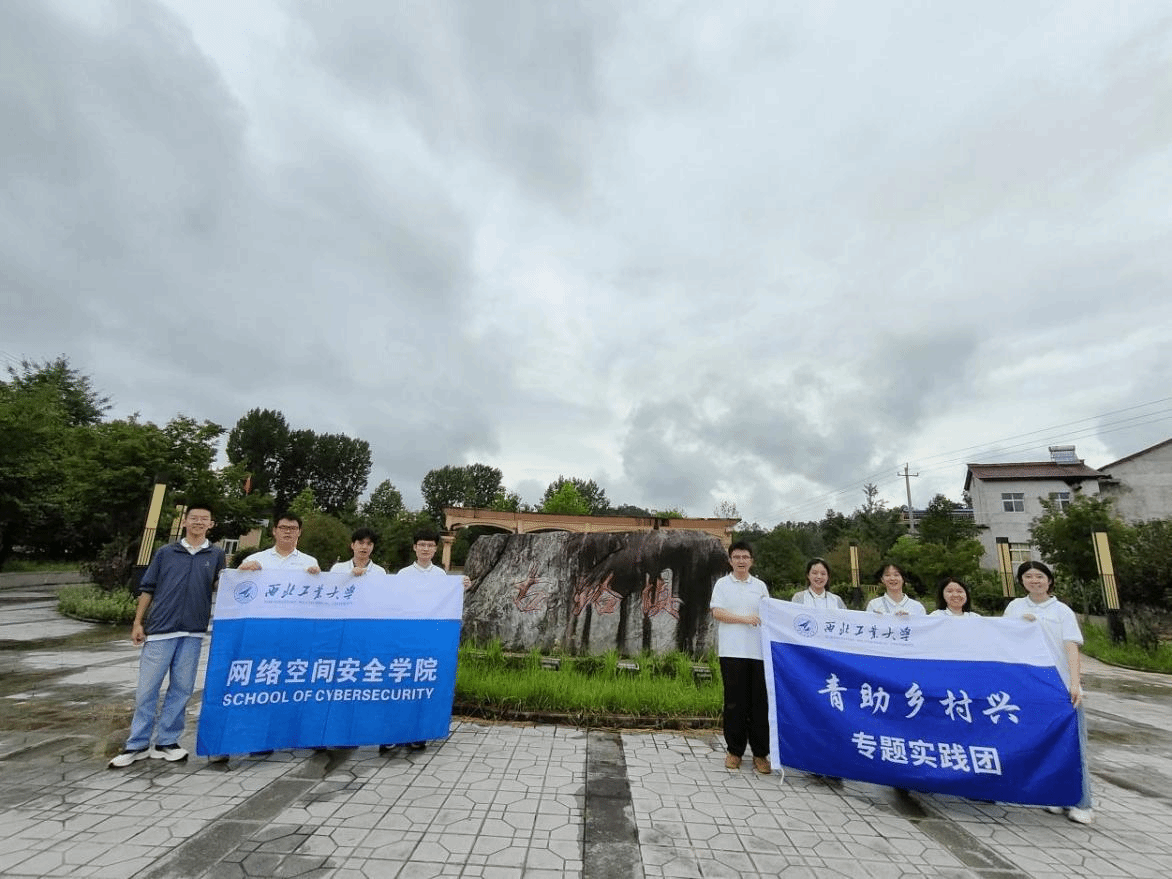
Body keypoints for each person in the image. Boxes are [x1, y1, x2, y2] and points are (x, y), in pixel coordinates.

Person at [108, 504, 226, 768]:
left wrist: (246, 574)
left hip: (193, 632)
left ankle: (167, 742)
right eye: (194, 518)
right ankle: (137, 744)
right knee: (147, 690)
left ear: (211, 524)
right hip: (161, 630)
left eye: (204, 519)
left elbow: (222, 585)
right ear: (184, 522)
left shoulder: (216, 554)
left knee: (182, 689)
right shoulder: (166, 552)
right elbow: (148, 588)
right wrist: (138, 622)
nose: (198, 522)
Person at [1004, 560, 1093, 824]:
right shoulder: (1014, 607)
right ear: (1022, 582)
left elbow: (1071, 648)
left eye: (1039, 576)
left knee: (1073, 744)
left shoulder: (1061, 611)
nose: (1034, 581)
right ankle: (1057, 795)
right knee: (1045, 744)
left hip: (1060, 685)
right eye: (1028, 576)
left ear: (1049, 580)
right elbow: (1003, 641)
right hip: (1029, 686)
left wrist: (1075, 683)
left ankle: (1082, 803)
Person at [709, 540, 772, 775]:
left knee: (759, 705)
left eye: (745, 557)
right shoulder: (722, 584)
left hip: (758, 654)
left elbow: (769, 614)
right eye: (737, 557)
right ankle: (734, 751)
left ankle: (760, 754)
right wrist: (745, 619)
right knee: (735, 703)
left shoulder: (760, 586)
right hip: (732, 652)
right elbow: (717, 612)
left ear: (751, 561)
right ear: (730, 561)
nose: (741, 561)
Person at [238, 513, 320, 573]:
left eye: (293, 528)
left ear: (299, 532)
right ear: (274, 531)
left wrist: (317, 577)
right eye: (283, 527)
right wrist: (241, 572)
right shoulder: (254, 559)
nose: (288, 531)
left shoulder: (310, 563)